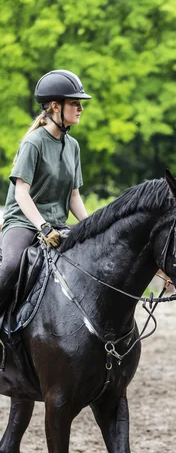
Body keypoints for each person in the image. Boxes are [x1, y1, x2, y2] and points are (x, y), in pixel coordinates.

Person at [0, 69, 92, 316]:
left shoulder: (72, 146)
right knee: (9, 266)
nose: (80, 108)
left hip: (57, 225)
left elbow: (73, 196)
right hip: (24, 223)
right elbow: (21, 193)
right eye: (75, 103)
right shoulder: (34, 143)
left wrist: (93, 225)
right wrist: (42, 226)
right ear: (55, 106)